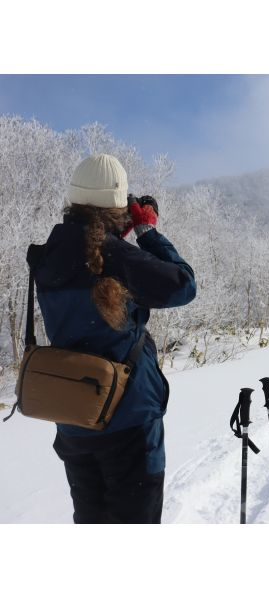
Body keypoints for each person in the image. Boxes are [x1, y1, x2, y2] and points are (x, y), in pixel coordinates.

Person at [36, 154, 196, 524]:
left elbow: (91, 260)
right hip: (129, 422)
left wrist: (118, 232)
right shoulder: (117, 257)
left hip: (74, 419)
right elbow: (183, 285)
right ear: (118, 204)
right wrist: (147, 232)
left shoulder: (48, 254)